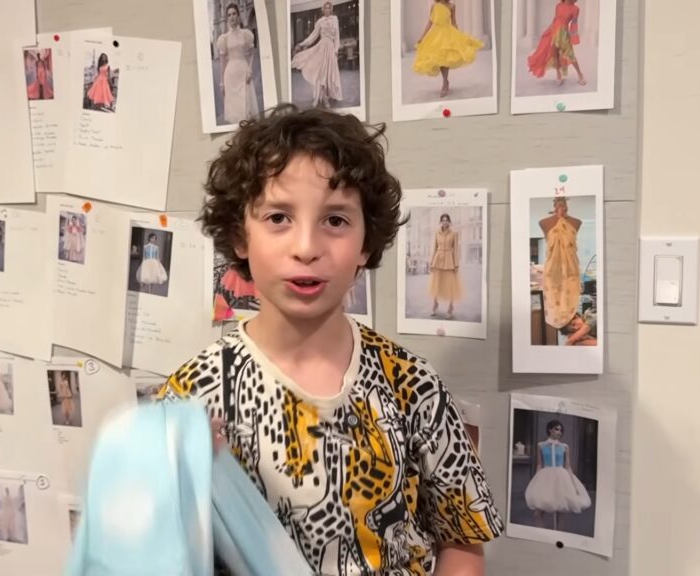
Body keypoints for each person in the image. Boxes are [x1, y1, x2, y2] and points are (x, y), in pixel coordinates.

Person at [159, 104, 502, 575]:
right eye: (279, 217)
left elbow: (461, 538)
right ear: (241, 235)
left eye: (335, 221)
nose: (306, 247)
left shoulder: (413, 384)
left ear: (365, 242)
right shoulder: (190, 399)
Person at [524, 419, 592, 531]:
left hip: (561, 478)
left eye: (561, 430)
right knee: (538, 513)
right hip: (546, 477)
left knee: (560, 513)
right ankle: (543, 535)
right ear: (550, 429)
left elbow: (568, 466)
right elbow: (539, 464)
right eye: (556, 429)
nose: (559, 432)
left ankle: (558, 536)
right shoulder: (541, 445)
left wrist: (573, 484)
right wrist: (535, 481)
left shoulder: (565, 447)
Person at [413, 0, 485, 97]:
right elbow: (430, 22)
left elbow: (454, 22)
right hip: (436, 35)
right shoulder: (434, 6)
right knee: (439, 59)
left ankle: (444, 83)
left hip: (447, 34)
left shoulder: (452, 6)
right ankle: (445, 82)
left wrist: (458, 37)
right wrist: (422, 37)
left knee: (445, 60)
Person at [539, 197, 581, 329]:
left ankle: (572, 329)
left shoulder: (577, 222)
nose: (560, 203)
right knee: (554, 299)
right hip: (553, 271)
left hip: (571, 270)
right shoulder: (543, 222)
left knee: (570, 299)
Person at [291, 2, 343, 109]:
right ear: (323, 10)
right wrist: (302, 44)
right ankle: (319, 98)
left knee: (328, 74)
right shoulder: (320, 21)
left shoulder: (335, 19)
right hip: (321, 48)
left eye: (329, 8)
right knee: (320, 73)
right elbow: (313, 36)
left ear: (331, 9)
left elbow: (337, 36)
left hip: (331, 49)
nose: (327, 10)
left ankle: (325, 98)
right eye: (325, 8)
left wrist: (336, 50)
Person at [527, 0, 586, 86]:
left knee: (570, 55)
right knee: (555, 55)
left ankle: (580, 74)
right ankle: (558, 73)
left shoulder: (575, 9)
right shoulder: (558, 6)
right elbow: (555, 20)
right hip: (554, 33)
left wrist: (574, 37)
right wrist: (549, 30)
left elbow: (574, 24)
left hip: (564, 34)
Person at [217, 3, 258, 124]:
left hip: (243, 72)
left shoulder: (246, 34)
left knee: (245, 108)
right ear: (227, 18)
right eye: (229, 15)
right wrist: (221, 82)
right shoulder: (224, 38)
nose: (232, 17)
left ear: (238, 15)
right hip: (230, 75)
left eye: (234, 13)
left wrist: (250, 69)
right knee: (235, 110)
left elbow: (251, 53)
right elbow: (222, 62)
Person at [429, 213, 462, 319]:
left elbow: (456, 249)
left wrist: (456, 264)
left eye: (446, 220)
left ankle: (450, 307)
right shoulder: (437, 233)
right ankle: (435, 304)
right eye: (443, 220)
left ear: (449, 222)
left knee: (450, 285)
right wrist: (431, 262)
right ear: (440, 222)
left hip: (449, 262)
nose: (444, 222)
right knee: (436, 284)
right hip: (438, 260)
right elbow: (434, 248)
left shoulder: (454, 234)